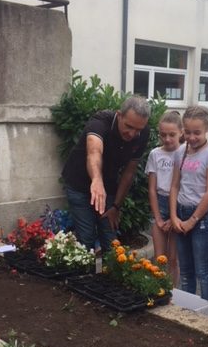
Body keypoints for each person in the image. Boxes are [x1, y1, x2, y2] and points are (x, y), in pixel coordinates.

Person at [62, 96, 151, 252]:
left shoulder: (142, 133)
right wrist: (96, 180)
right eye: (129, 126)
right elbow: (94, 151)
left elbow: (129, 171)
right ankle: (87, 274)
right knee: (87, 237)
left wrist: (116, 206)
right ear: (119, 115)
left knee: (110, 239)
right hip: (78, 184)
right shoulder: (100, 122)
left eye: (138, 129)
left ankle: (109, 274)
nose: (132, 134)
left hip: (108, 186)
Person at [169, 106, 208, 301]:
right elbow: (174, 185)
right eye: (187, 132)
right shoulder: (180, 151)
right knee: (186, 271)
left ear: (207, 128)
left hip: (202, 219)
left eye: (197, 133)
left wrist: (192, 220)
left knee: (203, 271)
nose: (191, 137)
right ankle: (188, 310)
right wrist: (174, 216)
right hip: (181, 214)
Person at [145, 111, 182, 286]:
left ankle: (173, 293)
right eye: (163, 135)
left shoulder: (185, 154)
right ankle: (158, 291)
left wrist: (173, 217)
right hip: (159, 203)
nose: (167, 139)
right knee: (160, 258)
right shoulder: (155, 154)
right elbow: (152, 189)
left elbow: (185, 186)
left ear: (181, 132)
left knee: (173, 258)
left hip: (178, 205)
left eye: (172, 135)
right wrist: (158, 218)